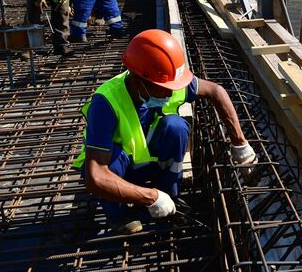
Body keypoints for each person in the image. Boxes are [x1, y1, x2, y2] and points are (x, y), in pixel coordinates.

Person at [72, 29, 257, 234]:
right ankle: (120, 215)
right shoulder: (106, 102)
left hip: (149, 163)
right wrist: (151, 197)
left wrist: (240, 143)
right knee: (111, 159)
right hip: (118, 174)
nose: (170, 93)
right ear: (138, 81)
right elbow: (96, 177)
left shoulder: (166, 82)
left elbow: (216, 91)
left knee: (176, 128)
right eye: (163, 88)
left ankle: (169, 196)